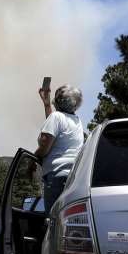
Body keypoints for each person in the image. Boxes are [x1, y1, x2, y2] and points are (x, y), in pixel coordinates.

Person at [33, 84, 84, 215]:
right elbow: (55, 124)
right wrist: (46, 104)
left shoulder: (56, 117)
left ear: (59, 100)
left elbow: (44, 148)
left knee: (52, 220)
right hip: (73, 178)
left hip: (56, 177)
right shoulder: (76, 121)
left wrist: (31, 160)